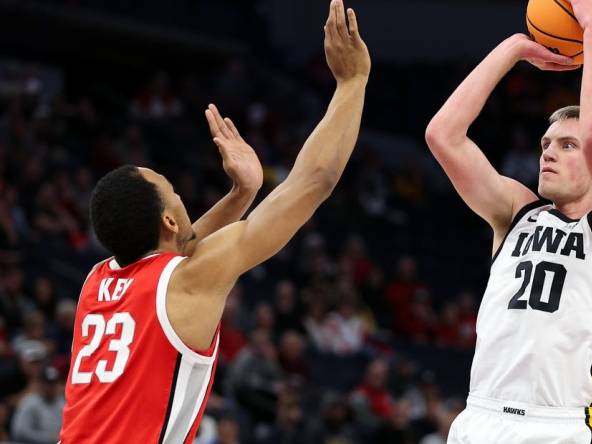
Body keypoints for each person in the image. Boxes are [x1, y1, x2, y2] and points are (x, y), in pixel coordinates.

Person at [58, 1, 370, 442]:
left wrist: (241, 193)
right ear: (168, 217)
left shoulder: (97, 281)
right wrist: (352, 82)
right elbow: (313, 182)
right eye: (176, 194)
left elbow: (175, 252)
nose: (184, 200)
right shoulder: (189, 280)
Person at [424, 0, 592, 441]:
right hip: (479, 416)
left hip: (557, 426)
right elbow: (442, 135)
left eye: (567, 145)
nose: (547, 151)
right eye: (546, 143)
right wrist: (512, 49)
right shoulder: (516, 212)